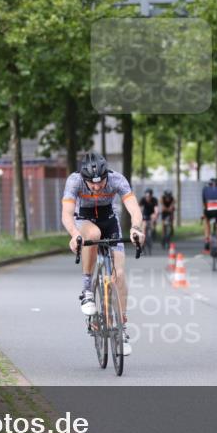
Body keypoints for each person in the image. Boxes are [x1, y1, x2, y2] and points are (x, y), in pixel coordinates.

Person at [61, 152, 143, 355]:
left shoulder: (117, 179)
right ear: (84, 178)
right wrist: (74, 235)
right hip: (84, 220)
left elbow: (134, 209)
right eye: (92, 183)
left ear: (106, 176)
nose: (97, 187)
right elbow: (67, 214)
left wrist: (135, 229)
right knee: (93, 235)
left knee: (119, 275)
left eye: (100, 183)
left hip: (109, 221)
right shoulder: (74, 181)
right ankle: (87, 290)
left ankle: (122, 329)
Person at [201, 177, 217, 262]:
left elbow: (204, 203)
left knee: (206, 221)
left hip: (208, 209)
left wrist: (204, 214)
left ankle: (207, 239)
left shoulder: (205, 189)